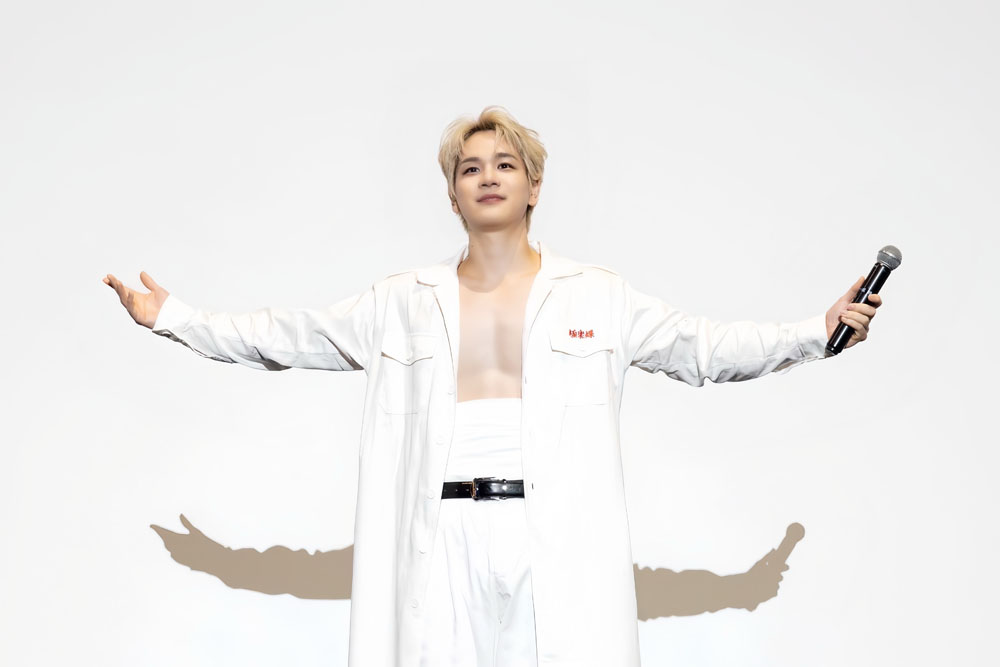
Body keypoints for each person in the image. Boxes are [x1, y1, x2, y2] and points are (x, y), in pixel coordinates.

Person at [104, 106, 881, 667]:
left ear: (534, 185)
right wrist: (174, 317)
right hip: (440, 534)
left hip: (554, 531)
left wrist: (815, 331)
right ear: (452, 194)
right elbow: (285, 335)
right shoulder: (402, 300)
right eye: (470, 167)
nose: (487, 176)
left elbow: (705, 348)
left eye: (505, 164)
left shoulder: (597, 295)